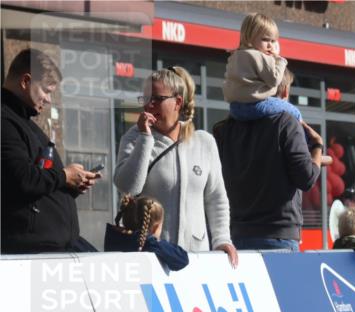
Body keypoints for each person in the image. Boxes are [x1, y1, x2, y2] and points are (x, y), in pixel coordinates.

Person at [115, 66, 237, 265]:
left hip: (196, 257)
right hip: (152, 257)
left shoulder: (204, 142)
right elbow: (128, 187)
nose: (149, 105)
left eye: (157, 99)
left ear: (177, 102)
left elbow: (216, 198)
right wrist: (145, 139)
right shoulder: (134, 138)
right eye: (145, 98)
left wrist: (222, 239)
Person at [214, 67, 324, 252]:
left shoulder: (225, 128)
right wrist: (317, 147)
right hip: (278, 235)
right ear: (285, 91)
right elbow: (306, 178)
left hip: (236, 235)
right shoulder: (286, 122)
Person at [2, 48, 101, 254]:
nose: (48, 99)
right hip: (32, 251)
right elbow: (22, 179)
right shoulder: (6, 121)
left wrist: (71, 186)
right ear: (25, 81)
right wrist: (64, 176)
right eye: (46, 91)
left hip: (52, 247)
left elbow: (37, 185)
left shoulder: (25, 123)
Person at [223, 13, 301, 123]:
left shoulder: (235, 56)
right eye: (265, 39)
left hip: (235, 108)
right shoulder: (260, 56)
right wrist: (280, 60)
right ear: (249, 38)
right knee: (294, 112)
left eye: (273, 41)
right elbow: (274, 80)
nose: (270, 46)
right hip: (255, 106)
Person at [104, 195, 189, 271]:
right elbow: (182, 259)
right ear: (155, 228)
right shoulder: (148, 244)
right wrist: (154, 242)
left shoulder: (113, 237)